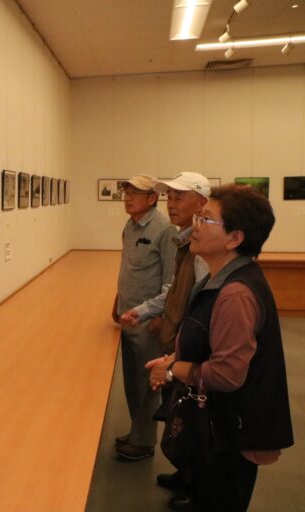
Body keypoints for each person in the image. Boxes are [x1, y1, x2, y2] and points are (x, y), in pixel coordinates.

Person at [146, 185, 294, 512]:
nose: (195, 225)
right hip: (213, 431)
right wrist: (175, 357)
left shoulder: (235, 294)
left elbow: (227, 374)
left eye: (206, 219)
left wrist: (173, 369)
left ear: (234, 238)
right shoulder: (217, 279)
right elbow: (208, 342)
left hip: (229, 437)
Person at [118, 172, 210, 506]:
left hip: (180, 339)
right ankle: (184, 472)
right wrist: (136, 309)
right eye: (170, 197)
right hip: (162, 329)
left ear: (201, 203)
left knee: (189, 411)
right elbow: (174, 290)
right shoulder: (181, 240)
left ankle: (192, 481)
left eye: (178, 198)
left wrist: (157, 319)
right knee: (174, 406)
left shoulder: (188, 242)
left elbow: (190, 298)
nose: (172, 204)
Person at [112, 174, 177, 460]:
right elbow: (129, 268)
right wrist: (117, 302)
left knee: (148, 384)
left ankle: (144, 442)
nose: (127, 197)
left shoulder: (164, 229)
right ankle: (138, 431)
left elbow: (171, 279)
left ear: (152, 199)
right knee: (132, 381)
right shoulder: (130, 225)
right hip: (128, 316)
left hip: (148, 320)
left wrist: (160, 316)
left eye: (135, 193)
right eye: (126, 192)